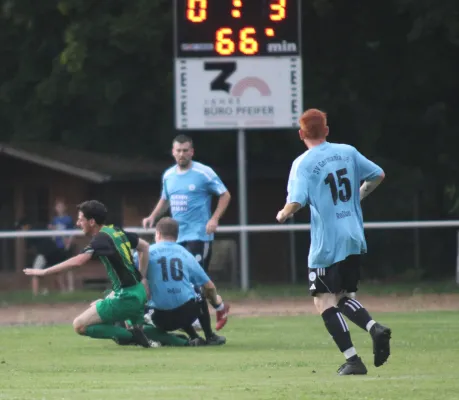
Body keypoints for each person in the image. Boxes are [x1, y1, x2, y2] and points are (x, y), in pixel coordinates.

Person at [276, 109, 391, 375]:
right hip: (353, 234)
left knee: (322, 299)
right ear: (326, 130)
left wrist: (283, 213)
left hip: (327, 241)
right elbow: (378, 174)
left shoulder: (303, 163)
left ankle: (353, 360)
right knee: (342, 297)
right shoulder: (347, 151)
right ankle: (375, 328)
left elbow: (296, 200)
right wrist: (359, 196)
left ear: (301, 134)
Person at [24, 200, 156, 348]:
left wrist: (45, 271)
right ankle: (142, 334)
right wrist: (142, 277)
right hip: (137, 291)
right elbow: (144, 246)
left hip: (127, 297)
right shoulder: (115, 231)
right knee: (102, 305)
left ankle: (133, 336)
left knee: (79, 325)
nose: (78, 223)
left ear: (92, 221)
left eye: (81, 219)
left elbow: (78, 261)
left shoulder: (101, 239)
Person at [142, 134, 231, 333]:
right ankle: (214, 308)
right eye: (178, 151)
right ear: (173, 152)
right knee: (178, 279)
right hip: (175, 238)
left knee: (195, 279)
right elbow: (165, 199)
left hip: (198, 235)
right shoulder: (168, 175)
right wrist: (152, 217)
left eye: (185, 150)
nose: (182, 154)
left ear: (192, 152)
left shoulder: (204, 173)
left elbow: (225, 195)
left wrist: (214, 218)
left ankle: (207, 313)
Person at [139, 217, 227, 346]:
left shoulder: (147, 253)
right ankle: (209, 336)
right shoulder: (185, 254)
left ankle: (190, 337)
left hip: (157, 318)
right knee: (195, 291)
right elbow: (209, 286)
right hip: (186, 314)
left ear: (157, 233)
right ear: (177, 235)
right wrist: (217, 304)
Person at [16, 217, 67, 296]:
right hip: (53, 250)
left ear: (26, 226)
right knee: (57, 272)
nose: (21, 230)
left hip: (45, 253)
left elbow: (30, 248)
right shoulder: (37, 227)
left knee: (35, 273)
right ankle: (63, 292)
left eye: (21, 228)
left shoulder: (29, 233)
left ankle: (35, 295)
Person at [48, 199, 75, 293]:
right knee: (59, 268)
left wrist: (69, 242)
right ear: (55, 208)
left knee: (69, 267)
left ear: (65, 207)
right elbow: (52, 233)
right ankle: (63, 289)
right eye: (58, 206)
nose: (59, 208)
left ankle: (71, 288)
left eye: (61, 206)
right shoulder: (54, 220)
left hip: (66, 246)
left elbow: (72, 232)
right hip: (58, 246)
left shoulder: (68, 219)